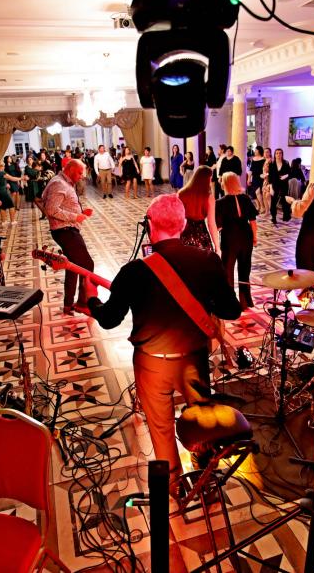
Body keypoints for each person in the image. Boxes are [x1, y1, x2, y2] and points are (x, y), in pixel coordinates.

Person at [83, 195, 241, 486]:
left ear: (150, 225)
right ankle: (205, 477)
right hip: (193, 359)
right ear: (183, 224)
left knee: (161, 428)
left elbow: (109, 319)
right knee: (202, 420)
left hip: (152, 364)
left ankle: (173, 485)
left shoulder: (133, 271)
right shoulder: (208, 260)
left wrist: (92, 298)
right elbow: (231, 310)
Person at [41, 159, 94, 315]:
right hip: (65, 231)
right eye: (79, 173)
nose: (81, 176)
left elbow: (61, 204)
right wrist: (75, 217)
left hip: (67, 229)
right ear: (70, 169)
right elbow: (51, 210)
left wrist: (80, 213)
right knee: (87, 265)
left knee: (73, 266)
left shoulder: (64, 182)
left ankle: (68, 304)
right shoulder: (58, 183)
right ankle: (83, 303)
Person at [216, 173, 258, 310]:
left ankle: (230, 303)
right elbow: (253, 221)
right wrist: (255, 237)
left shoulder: (220, 202)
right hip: (246, 237)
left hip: (229, 239)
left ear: (225, 184)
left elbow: (218, 226)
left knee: (227, 271)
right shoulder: (246, 198)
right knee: (245, 269)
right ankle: (245, 302)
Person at [177, 166, 218, 253]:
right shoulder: (209, 197)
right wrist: (217, 247)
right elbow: (211, 224)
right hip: (201, 234)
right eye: (210, 179)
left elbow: (177, 217)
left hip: (184, 232)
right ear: (207, 179)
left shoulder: (181, 193)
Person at [268, 148, 292, 224]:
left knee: (285, 200)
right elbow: (270, 177)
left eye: (280, 153)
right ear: (275, 155)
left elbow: (290, 173)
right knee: (273, 201)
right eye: (277, 153)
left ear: (282, 154)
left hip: (284, 184)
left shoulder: (286, 163)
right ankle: (273, 217)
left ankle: (286, 215)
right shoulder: (272, 164)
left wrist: (286, 176)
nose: (278, 154)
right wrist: (271, 187)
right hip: (275, 184)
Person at [248, 146, 266, 212]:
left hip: (261, 177)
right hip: (254, 178)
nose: (255, 151)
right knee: (253, 194)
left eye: (256, 150)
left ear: (259, 151)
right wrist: (249, 178)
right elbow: (251, 170)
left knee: (257, 192)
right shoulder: (253, 159)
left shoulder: (263, 159)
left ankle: (262, 207)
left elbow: (265, 169)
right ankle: (258, 206)